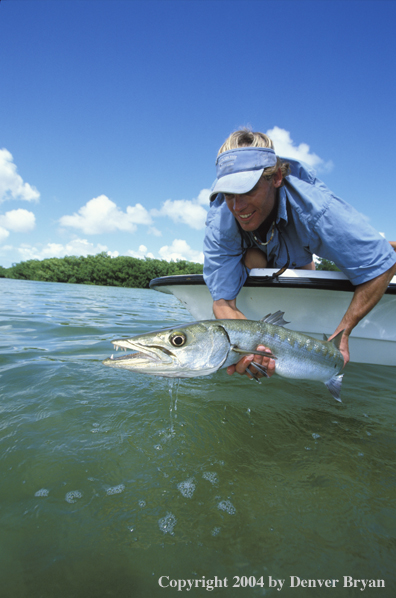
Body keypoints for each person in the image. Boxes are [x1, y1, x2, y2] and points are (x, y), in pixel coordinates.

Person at [203, 129, 396, 380]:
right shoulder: (220, 221)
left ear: (277, 177)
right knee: (253, 260)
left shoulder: (317, 208)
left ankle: (374, 243)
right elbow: (223, 303)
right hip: (260, 255)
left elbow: (381, 266)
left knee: (378, 255)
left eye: (248, 190)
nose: (238, 207)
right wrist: (249, 352)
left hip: (301, 252)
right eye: (229, 194)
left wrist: (343, 334)